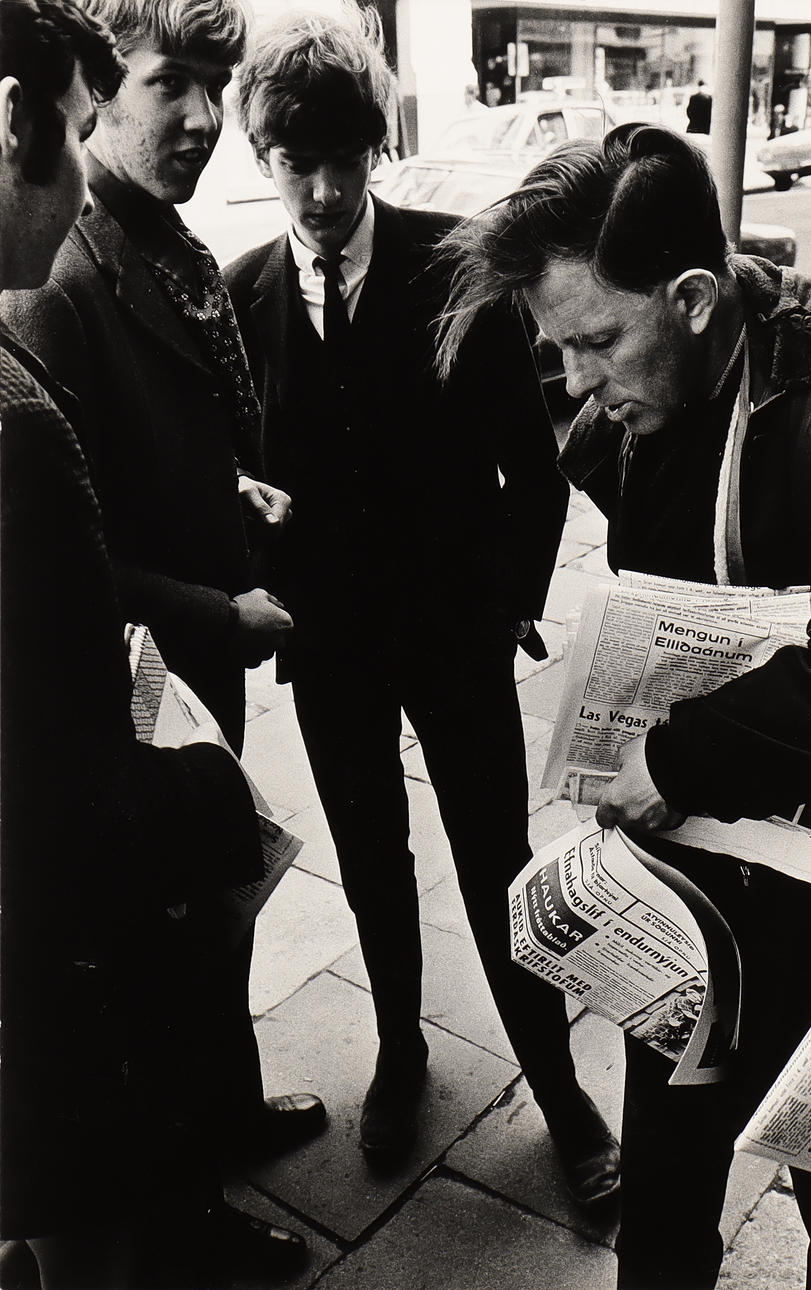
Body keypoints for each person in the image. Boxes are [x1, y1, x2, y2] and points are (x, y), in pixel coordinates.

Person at [435, 123, 811, 1290]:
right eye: (556, 348)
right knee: (665, 1195)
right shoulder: (631, 411)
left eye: (594, 342)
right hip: (681, 892)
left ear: (691, 297)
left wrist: (673, 762)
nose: (574, 382)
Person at [225, 3, 621, 1205]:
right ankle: (399, 1053)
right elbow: (232, 473)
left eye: (347, 162)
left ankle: (556, 1088)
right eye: (299, 164)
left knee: (499, 865)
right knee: (369, 864)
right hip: (330, 650)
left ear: (374, 151)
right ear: (267, 158)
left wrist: (505, 598)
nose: (325, 192)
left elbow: (533, 465)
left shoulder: (458, 267)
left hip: (452, 635)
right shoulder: (237, 299)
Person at [0, 0, 327, 1234]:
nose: (201, 118)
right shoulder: (53, 276)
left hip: (195, 667)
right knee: (158, 958)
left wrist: (223, 485)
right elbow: (67, 558)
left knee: (217, 921)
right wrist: (216, 606)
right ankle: (193, 1206)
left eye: (211, 85)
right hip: (143, 684)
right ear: (87, 99)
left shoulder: (167, 246)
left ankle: (227, 1118)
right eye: (164, 83)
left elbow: (137, 459)